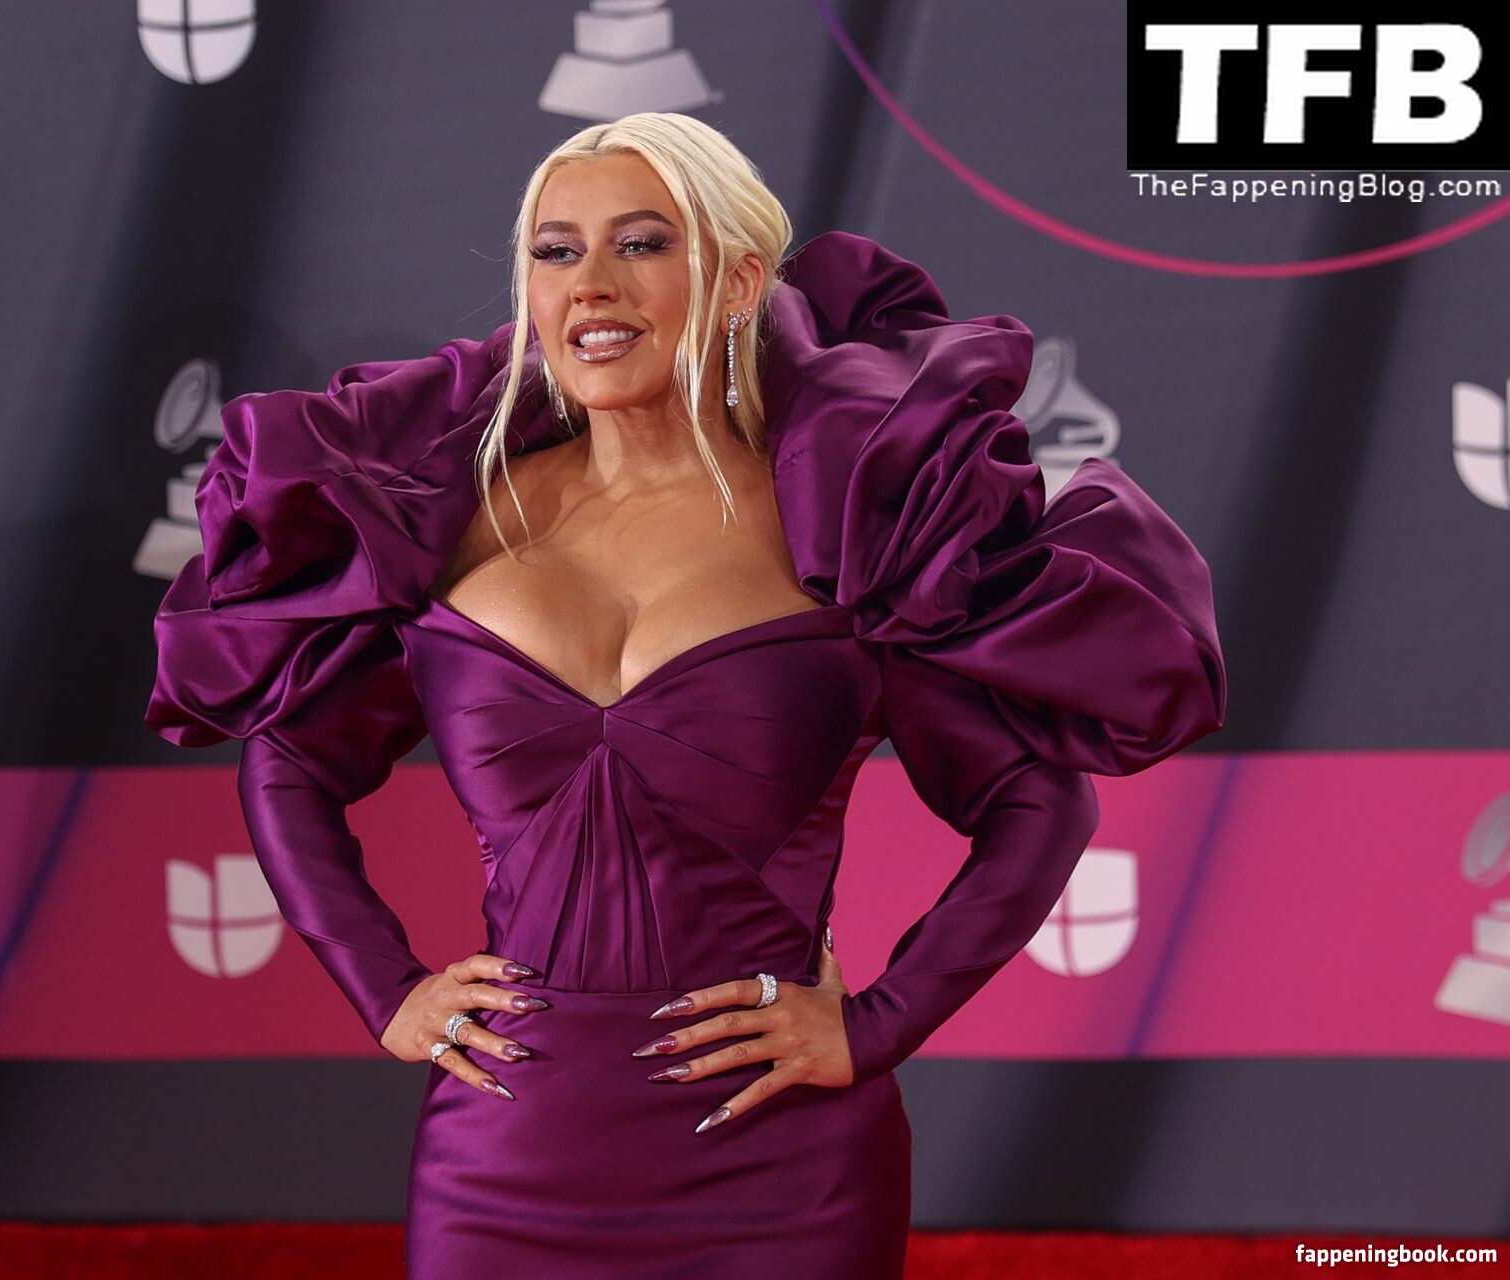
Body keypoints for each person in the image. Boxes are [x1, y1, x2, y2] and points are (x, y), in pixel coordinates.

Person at [144, 112, 1225, 1277]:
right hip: (505, 1154)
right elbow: (289, 759)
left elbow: (1037, 800)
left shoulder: (844, 528)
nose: (590, 285)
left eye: (642, 243)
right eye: (556, 250)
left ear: (739, 282)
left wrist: (879, 1021)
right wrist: (385, 985)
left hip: (782, 1167)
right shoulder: (453, 523)